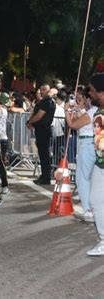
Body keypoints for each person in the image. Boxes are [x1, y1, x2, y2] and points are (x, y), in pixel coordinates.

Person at [65, 87, 97, 223]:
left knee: (82, 179)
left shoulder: (91, 113)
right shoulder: (92, 112)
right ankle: (93, 209)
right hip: (93, 144)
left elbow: (72, 124)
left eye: (80, 99)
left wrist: (66, 110)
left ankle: (88, 211)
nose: (78, 101)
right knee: (93, 179)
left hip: (87, 144)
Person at [86, 73, 104, 256]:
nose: (90, 94)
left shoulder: (100, 114)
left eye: (92, 90)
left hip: (102, 164)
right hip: (101, 165)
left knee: (97, 200)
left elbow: (100, 145)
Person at [27, 84, 56, 185]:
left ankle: (45, 177)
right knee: (43, 154)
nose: (42, 92)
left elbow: (39, 115)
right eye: (41, 90)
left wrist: (30, 122)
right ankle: (44, 176)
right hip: (41, 129)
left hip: (44, 130)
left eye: (44, 90)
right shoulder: (45, 101)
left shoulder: (47, 102)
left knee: (44, 155)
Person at [0, 92, 10, 195]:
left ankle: (4, 185)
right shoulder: (1, 110)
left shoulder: (1, 110)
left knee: (0, 162)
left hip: (0, 138)